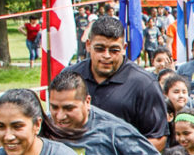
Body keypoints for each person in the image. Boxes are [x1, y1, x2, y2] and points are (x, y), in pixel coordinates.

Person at [65, 15, 170, 143]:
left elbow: (158, 138)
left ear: (124, 48)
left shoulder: (145, 84)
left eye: (114, 50)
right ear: (88, 45)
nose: (106, 55)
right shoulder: (69, 77)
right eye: (100, 49)